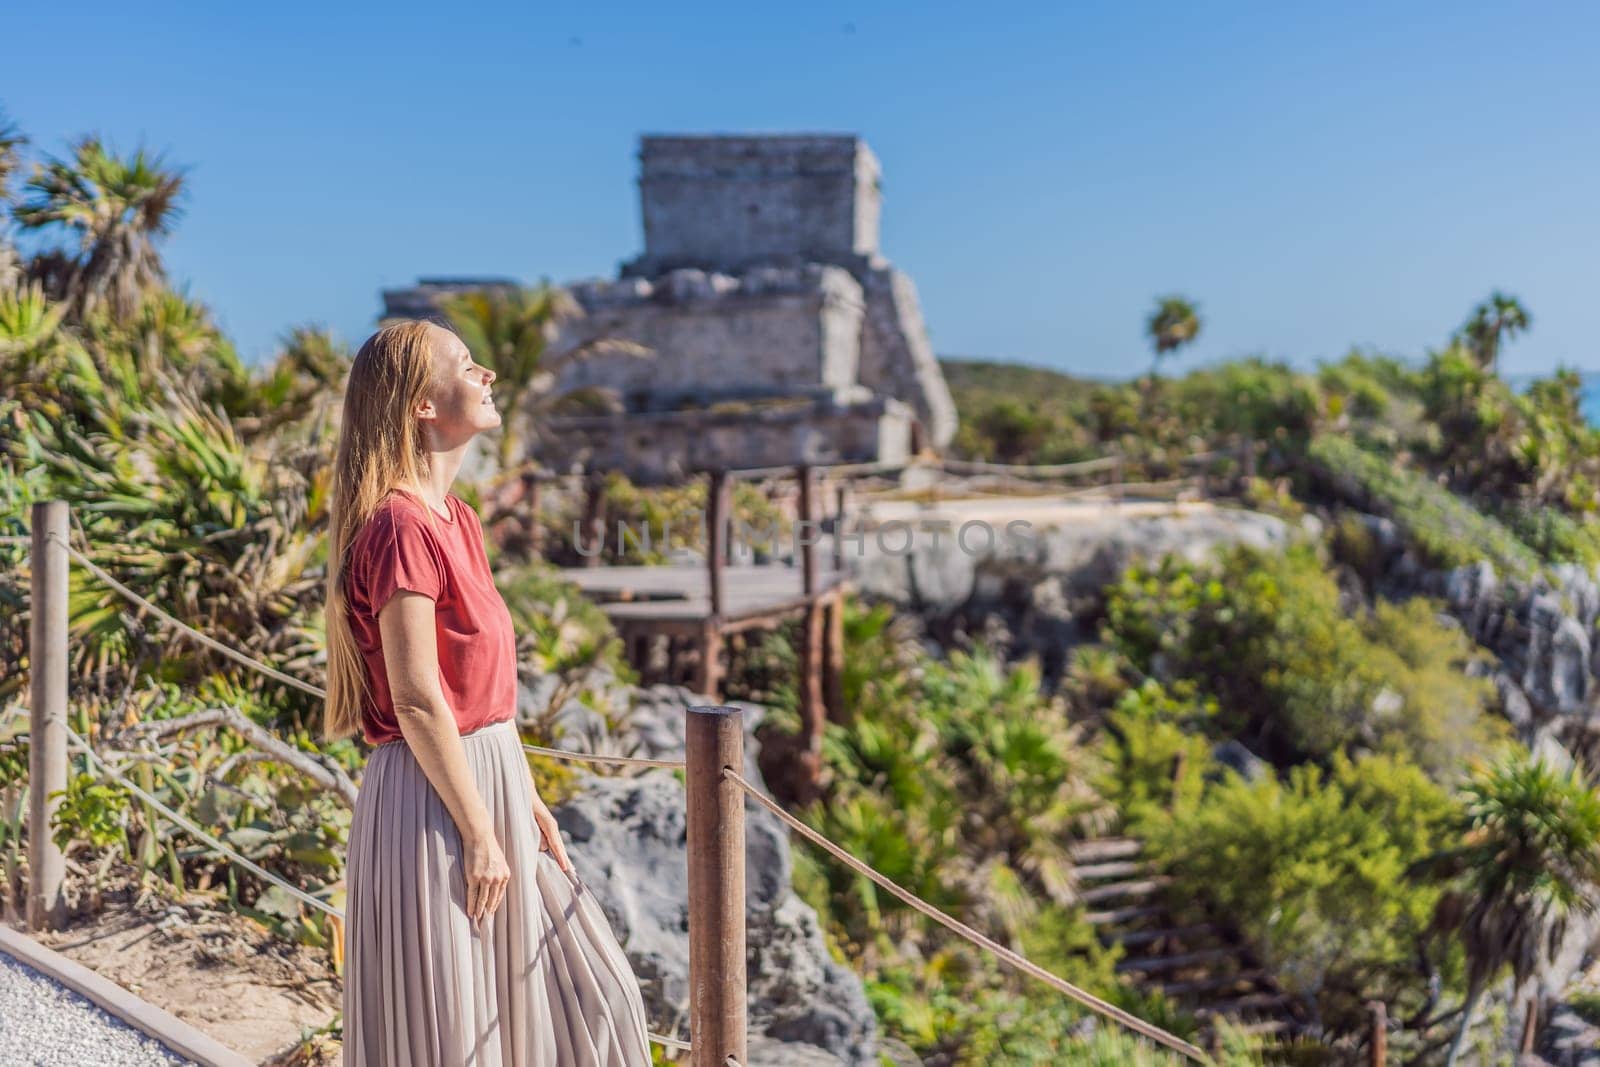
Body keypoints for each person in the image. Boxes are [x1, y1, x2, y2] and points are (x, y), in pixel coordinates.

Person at [321, 319, 653, 1066]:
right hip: (435, 799)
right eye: (467, 365)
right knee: (457, 1033)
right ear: (422, 405)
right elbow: (415, 697)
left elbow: (485, 693)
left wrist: (525, 799)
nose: (487, 375)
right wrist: (478, 831)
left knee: (595, 1000)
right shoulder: (401, 526)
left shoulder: (458, 521)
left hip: (489, 780)